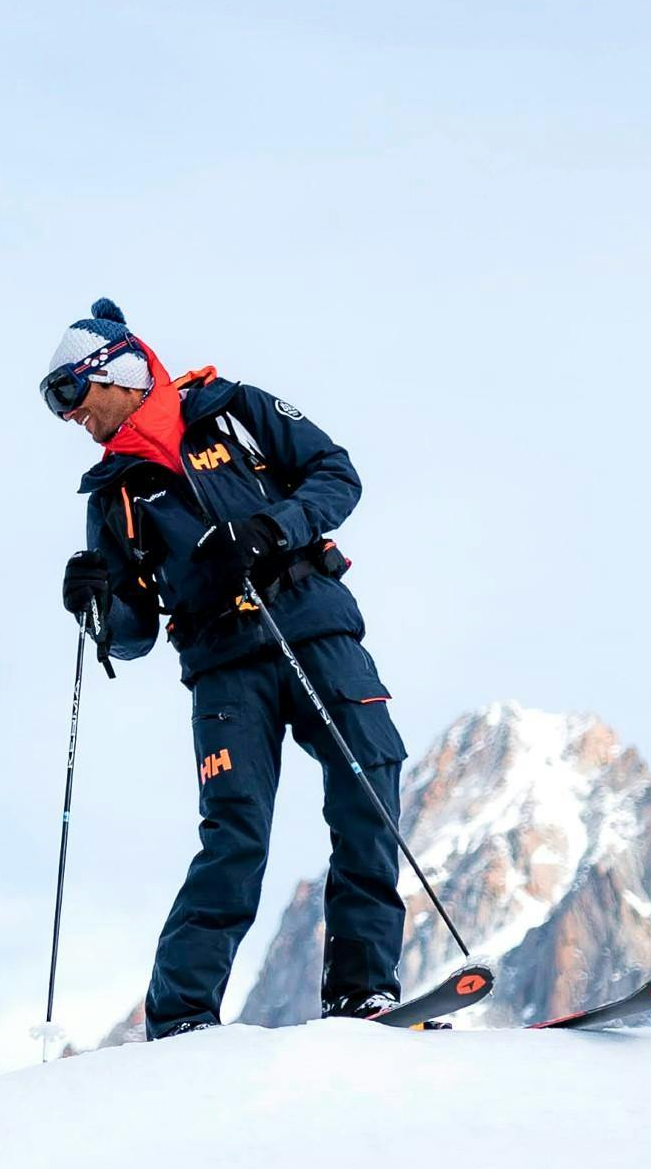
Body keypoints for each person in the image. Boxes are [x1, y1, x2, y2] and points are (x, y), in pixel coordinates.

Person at [43, 298, 410, 1035]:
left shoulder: (232, 410)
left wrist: (273, 528)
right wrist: (94, 608)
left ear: (112, 369)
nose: (75, 420)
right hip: (220, 665)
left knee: (368, 783)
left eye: (77, 399)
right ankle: (180, 1018)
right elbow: (135, 633)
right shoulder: (113, 495)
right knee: (236, 830)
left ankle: (363, 991)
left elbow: (337, 475)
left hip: (315, 626)